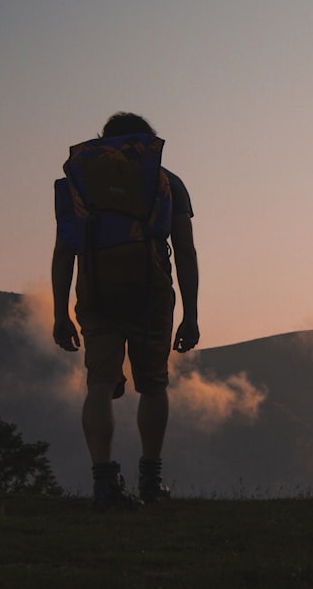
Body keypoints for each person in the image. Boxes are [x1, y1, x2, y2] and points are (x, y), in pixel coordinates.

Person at [52, 112, 200, 511]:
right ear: (146, 142)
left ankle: (104, 483)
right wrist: (191, 314)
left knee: (99, 384)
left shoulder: (84, 182)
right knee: (152, 384)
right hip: (149, 291)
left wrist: (60, 312)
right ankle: (150, 482)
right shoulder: (166, 182)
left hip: (95, 289)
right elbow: (184, 251)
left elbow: (65, 251)